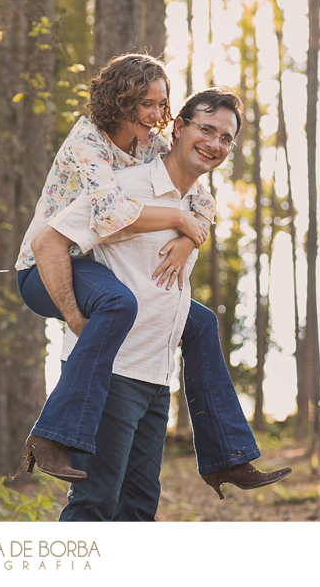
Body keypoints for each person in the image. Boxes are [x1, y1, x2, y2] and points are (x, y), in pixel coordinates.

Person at [14, 54, 290, 499]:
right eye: (146, 103)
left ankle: (227, 455)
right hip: (46, 265)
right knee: (120, 303)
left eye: (162, 105)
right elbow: (107, 215)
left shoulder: (149, 146)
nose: (156, 115)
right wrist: (73, 316)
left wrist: (188, 237)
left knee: (199, 323)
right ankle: (52, 434)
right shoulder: (89, 144)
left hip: (92, 269)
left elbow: (197, 191)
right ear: (119, 100)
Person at [41, 87, 243, 519]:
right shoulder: (124, 188)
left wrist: (190, 238)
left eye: (226, 138)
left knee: (138, 509)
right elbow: (48, 242)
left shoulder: (199, 203)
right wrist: (75, 318)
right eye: (206, 129)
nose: (215, 144)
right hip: (111, 374)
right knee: (96, 503)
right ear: (179, 127)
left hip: (156, 377)